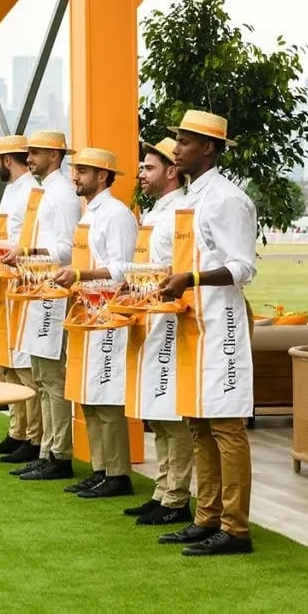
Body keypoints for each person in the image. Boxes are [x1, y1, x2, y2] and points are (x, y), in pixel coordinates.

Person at [157, 110, 256, 556]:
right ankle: (206, 516)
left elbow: (242, 267)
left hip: (221, 324)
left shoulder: (227, 199)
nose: (176, 148)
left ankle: (235, 528)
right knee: (197, 422)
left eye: (185, 141)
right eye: (178, 140)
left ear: (209, 148)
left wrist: (189, 280)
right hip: (191, 320)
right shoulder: (191, 196)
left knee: (225, 425)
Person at [52, 147, 137, 498]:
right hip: (87, 310)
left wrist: (80, 274)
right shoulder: (90, 214)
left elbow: (122, 269)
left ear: (102, 176)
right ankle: (101, 468)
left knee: (106, 394)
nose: (75, 176)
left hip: (108, 313)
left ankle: (118, 474)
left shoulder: (116, 215)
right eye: (75, 170)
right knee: (88, 394)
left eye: (83, 171)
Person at [122, 137, 195, 525]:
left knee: (170, 409)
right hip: (148, 315)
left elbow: (176, 268)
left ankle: (177, 497)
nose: (141, 173)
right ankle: (162, 488)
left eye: (149, 168)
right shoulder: (154, 213)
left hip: (169, 319)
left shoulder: (180, 212)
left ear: (171, 171)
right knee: (157, 408)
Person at [4, 130, 83, 481]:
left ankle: (59, 454)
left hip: (53, 290)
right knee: (41, 375)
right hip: (38, 288)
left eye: (35, 152)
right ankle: (47, 450)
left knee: (52, 377)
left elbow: (67, 249)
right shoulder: (47, 191)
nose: (30, 157)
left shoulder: (62, 194)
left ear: (54, 155)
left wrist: (28, 253)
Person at [0, 137, 44, 464]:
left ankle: (32, 436)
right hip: (2, 285)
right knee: (9, 364)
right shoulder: (14, 192)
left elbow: (26, 242)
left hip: (19, 285)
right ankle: (17, 431)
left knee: (23, 365)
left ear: (6, 160)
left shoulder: (31, 192)